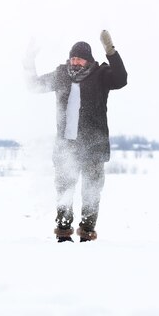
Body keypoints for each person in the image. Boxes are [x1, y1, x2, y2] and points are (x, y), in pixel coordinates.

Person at [24, 30, 128, 242]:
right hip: (66, 147)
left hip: (93, 147)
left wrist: (111, 51)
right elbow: (34, 86)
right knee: (64, 192)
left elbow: (121, 79)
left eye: (79, 58)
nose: (75, 61)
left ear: (88, 60)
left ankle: (87, 233)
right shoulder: (61, 75)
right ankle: (63, 234)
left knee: (91, 193)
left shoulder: (100, 75)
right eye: (72, 57)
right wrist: (29, 60)